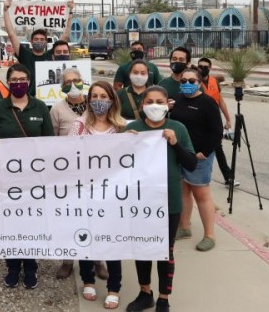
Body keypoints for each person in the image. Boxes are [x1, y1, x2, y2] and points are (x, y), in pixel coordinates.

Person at [124, 86, 197, 312]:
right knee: (143, 248)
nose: (154, 105)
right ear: (142, 104)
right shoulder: (133, 128)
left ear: (167, 104)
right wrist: (123, 144)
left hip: (169, 200)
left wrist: (175, 143)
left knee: (165, 250)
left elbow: (191, 164)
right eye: (149, 101)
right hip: (140, 200)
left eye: (159, 101)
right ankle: (145, 293)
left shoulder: (178, 128)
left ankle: (164, 298)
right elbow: (116, 165)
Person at [0, 63, 53, 290]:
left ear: (29, 82)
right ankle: (12, 267)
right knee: (10, 223)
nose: (18, 83)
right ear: (8, 82)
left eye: (22, 79)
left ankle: (31, 266)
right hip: (7, 179)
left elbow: (49, 142)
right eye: (13, 80)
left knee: (31, 222)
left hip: (33, 180)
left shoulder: (40, 107)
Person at [67, 81, 127, 310]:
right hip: (85, 193)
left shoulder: (122, 127)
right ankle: (88, 280)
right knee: (86, 237)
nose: (98, 100)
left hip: (113, 196)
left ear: (112, 99)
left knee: (113, 241)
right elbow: (66, 158)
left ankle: (114, 287)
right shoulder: (79, 126)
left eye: (103, 96)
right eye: (94, 96)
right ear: (88, 99)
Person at [49, 68, 108, 282]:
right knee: (70, 218)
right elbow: (53, 141)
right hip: (70, 174)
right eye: (68, 81)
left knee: (97, 218)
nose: (73, 84)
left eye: (77, 80)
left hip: (97, 174)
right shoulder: (57, 109)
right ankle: (67, 260)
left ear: (84, 82)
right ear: (62, 86)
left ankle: (98, 260)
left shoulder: (96, 107)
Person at [170, 67, 224, 252]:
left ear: (200, 82)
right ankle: (184, 227)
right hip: (180, 153)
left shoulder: (207, 103)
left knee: (201, 194)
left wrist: (204, 152)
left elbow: (217, 132)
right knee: (183, 190)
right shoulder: (176, 101)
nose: (187, 84)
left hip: (200, 157)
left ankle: (209, 235)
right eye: (183, 81)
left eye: (191, 81)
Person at [2, 0, 73, 95]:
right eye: (36, 39)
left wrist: (70, 12)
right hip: (29, 99)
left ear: (46, 42)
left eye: (42, 39)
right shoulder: (25, 54)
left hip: (49, 97)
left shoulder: (51, 55)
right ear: (31, 41)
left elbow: (65, 35)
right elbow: (11, 34)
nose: (39, 41)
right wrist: (5, 11)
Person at [197, 57, 238, 187]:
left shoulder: (214, 81)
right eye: (200, 66)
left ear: (210, 68)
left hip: (214, 120)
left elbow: (220, 101)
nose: (202, 69)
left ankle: (228, 177)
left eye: (205, 67)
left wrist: (228, 119)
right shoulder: (194, 82)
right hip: (199, 121)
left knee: (218, 148)